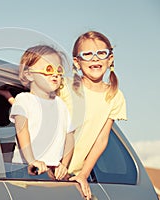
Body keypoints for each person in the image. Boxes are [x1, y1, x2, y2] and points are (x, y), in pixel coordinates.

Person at [66, 30, 127, 199]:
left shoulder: (115, 95)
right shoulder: (65, 87)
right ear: (77, 62)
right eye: (87, 54)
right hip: (45, 169)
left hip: (71, 175)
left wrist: (83, 174)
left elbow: (102, 139)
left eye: (101, 53)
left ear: (110, 59)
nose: (95, 59)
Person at [9, 45, 75, 180]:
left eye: (58, 69)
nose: (55, 74)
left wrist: (64, 164)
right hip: (25, 169)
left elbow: (70, 137)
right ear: (29, 74)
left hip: (52, 171)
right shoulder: (24, 99)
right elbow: (22, 130)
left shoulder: (61, 105)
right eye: (48, 69)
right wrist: (32, 160)